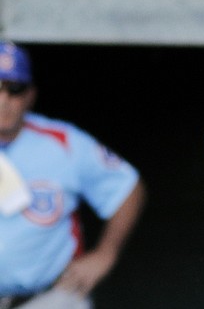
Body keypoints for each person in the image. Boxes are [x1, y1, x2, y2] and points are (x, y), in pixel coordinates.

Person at [0, 41, 146, 309]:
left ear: (30, 95)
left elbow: (127, 186)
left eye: (15, 89)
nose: (4, 100)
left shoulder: (64, 142)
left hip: (47, 297)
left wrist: (105, 255)